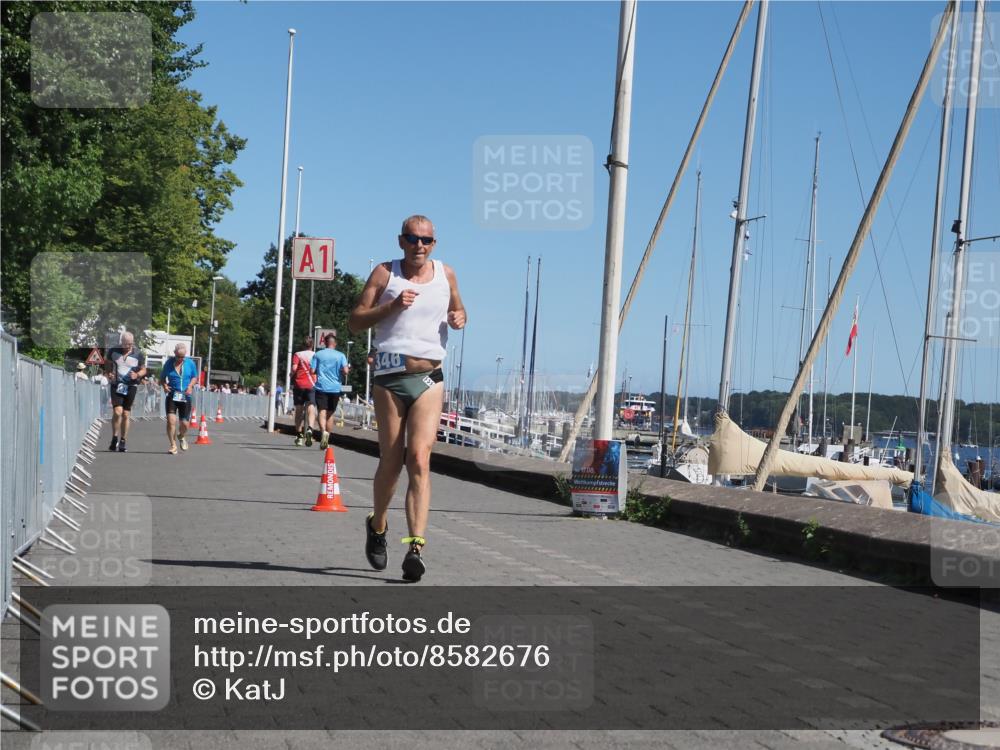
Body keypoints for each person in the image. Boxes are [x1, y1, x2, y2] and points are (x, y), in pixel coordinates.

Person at [348, 215, 465, 582]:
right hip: (388, 376)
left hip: (429, 376)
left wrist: (461, 317)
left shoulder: (446, 274)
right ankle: (378, 525)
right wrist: (392, 306)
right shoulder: (386, 273)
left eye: (427, 240)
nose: (420, 246)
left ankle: (415, 546)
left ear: (434, 243)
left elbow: (457, 310)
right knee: (392, 460)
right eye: (413, 239)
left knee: (419, 457)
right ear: (401, 241)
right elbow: (355, 320)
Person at [104, 331, 147, 452]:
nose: (127, 346)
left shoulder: (138, 354)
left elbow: (144, 370)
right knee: (117, 412)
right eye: (125, 344)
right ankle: (114, 437)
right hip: (116, 384)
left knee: (126, 414)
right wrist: (109, 373)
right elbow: (107, 363)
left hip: (131, 386)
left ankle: (123, 440)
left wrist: (137, 374)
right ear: (121, 342)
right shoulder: (113, 351)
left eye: (130, 344)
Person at [311, 333, 349, 449]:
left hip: (321, 387)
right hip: (335, 388)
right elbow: (346, 371)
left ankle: (323, 433)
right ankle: (328, 436)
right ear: (335, 343)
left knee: (322, 411)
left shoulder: (318, 354)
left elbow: (312, 370)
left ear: (325, 343)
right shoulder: (341, 355)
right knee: (330, 413)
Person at [160, 343, 199, 454]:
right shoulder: (168, 363)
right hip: (172, 395)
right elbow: (162, 378)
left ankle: (181, 436)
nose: (180, 359)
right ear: (174, 354)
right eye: (178, 356)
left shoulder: (190, 363)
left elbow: (194, 377)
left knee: (185, 423)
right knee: (171, 421)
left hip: (185, 396)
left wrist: (190, 386)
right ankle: (173, 445)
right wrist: (165, 386)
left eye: (182, 357)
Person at [290, 336, 318, 446]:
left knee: (299, 409)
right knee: (311, 406)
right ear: (312, 345)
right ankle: (310, 428)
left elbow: (294, 368)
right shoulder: (316, 355)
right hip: (312, 384)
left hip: (299, 384)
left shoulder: (298, 354)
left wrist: (291, 375)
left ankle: (299, 436)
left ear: (303, 344)